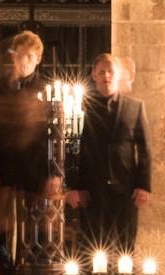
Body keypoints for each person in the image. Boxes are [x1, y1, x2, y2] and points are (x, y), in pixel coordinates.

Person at [0, 31, 53, 275]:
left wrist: (49, 172)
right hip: (6, 160)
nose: (24, 60)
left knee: (36, 217)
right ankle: (6, 269)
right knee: (3, 218)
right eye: (20, 55)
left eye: (29, 56)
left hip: (33, 163)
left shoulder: (45, 88)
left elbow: (49, 134)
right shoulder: (1, 85)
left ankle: (35, 268)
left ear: (38, 59)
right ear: (13, 58)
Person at [65, 53, 151, 257]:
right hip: (92, 192)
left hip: (126, 191)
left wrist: (144, 185)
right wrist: (75, 186)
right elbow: (70, 147)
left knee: (125, 251)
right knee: (92, 251)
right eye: (102, 71)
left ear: (118, 74)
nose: (107, 75)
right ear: (94, 74)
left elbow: (144, 148)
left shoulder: (135, 107)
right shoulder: (80, 108)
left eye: (111, 71)